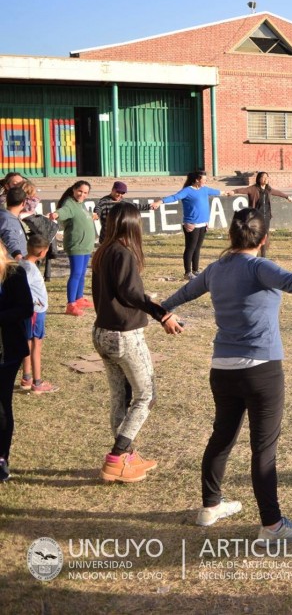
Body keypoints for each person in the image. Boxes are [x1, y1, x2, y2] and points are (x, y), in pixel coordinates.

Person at [162, 208, 292, 537]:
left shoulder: (216, 269)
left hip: (222, 370)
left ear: (230, 237)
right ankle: (272, 525)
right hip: (261, 372)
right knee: (263, 448)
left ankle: (210, 507)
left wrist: (162, 312)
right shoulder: (259, 267)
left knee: (222, 438)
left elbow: (180, 296)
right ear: (264, 239)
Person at [92, 202, 183, 483]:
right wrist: (162, 314)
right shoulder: (123, 253)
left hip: (102, 333)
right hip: (124, 336)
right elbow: (132, 293)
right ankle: (117, 457)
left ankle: (128, 455)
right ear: (131, 224)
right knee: (146, 395)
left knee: (122, 397)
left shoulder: (103, 251)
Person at [0, 242, 34, 482]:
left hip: (6, 351)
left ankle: (2, 458)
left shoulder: (14, 273)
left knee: (1, 407)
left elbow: (26, 308)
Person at [151, 171, 222, 277]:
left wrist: (232, 192)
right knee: (190, 248)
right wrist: (159, 202)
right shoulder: (187, 191)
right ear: (197, 180)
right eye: (204, 179)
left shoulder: (205, 189)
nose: (206, 181)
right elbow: (174, 197)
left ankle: (195, 270)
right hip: (191, 225)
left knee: (197, 248)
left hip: (203, 224)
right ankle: (187, 272)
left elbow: (218, 192)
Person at [50, 180, 97, 315]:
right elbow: (64, 211)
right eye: (80, 191)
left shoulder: (80, 205)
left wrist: (91, 216)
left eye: (85, 193)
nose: (82, 194)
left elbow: (80, 217)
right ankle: (71, 304)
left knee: (82, 273)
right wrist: (56, 214)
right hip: (76, 245)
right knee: (76, 273)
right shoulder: (69, 203)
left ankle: (79, 298)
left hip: (86, 245)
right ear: (73, 190)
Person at [18, 237, 56, 394]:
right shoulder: (30, 270)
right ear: (42, 252)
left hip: (30, 311)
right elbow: (23, 288)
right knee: (36, 345)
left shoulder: (23, 263)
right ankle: (37, 383)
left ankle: (26, 378)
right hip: (35, 312)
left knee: (27, 343)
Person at [229, 172, 290, 258]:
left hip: (267, 216)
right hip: (256, 217)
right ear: (259, 179)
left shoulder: (268, 189)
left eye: (267, 177)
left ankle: (263, 256)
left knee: (265, 235)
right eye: (264, 177)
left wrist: (287, 197)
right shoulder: (253, 189)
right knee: (256, 235)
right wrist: (234, 191)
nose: (266, 179)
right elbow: (243, 189)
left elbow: (278, 192)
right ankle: (254, 254)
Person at [0, 186, 28, 260]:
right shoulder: (8, 220)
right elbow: (10, 239)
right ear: (24, 203)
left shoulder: (6, 216)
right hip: (14, 264)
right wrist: (19, 257)